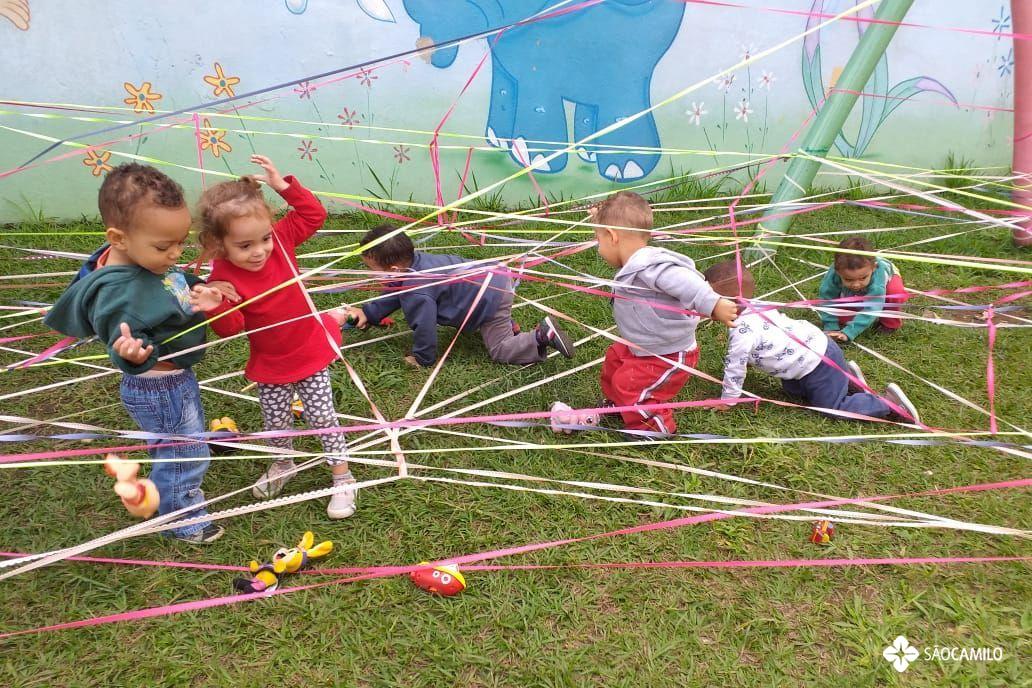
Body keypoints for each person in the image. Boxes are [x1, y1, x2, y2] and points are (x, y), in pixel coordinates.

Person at [44, 163, 224, 543]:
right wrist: (132, 354)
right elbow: (122, 344)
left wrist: (201, 288)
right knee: (185, 454)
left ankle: (165, 494)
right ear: (118, 237)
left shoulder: (140, 259)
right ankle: (183, 518)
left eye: (181, 241)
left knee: (172, 445)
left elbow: (175, 282)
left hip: (171, 383)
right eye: (165, 246)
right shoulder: (118, 296)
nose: (176, 253)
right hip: (161, 387)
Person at [197, 155, 357, 519]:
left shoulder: (281, 241)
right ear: (218, 244)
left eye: (264, 238)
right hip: (270, 362)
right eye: (244, 245)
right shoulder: (221, 275)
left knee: (322, 416)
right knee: (276, 421)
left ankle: (343, 476)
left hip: (310, 349)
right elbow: (230, 327)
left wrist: (282, 187)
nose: (259, 251)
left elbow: (314, 215)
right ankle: (283, 464)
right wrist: (213, 304)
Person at [590, 191, 737, 435]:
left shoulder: (652, 267)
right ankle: (619, 405)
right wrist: (599, 217)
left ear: (613, 237)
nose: (599, 248)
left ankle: (653, 429)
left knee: (633, 386)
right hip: (641, 344)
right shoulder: (637, 263)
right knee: (614, 363)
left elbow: (688, 282)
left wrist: (714, 305)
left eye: (599, 241)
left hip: (666, 352)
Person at [705, 260, 920, 423]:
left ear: (728, 302)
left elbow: (735, 367)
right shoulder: (756, 305)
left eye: (707, 301)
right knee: (793, 391)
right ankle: (846, 379)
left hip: (816, 362)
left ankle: (890, 405)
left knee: (831, 406)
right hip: (817, 348)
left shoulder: (741, 331)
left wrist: (728, 400)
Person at [345, 223, 575, 367]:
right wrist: (369, 312)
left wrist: (422, 358)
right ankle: (510, 325)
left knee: (500, 349)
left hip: (490, 297)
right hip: (492, 278)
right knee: (494, 317)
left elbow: (424, 327)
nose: (368, 273)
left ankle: (541, 337)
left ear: (394, 270)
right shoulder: (415, 265)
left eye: (371, 268)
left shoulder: (418, 293)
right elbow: (396, 290)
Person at [819, 236, 909, 342]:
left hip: (889, 277)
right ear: (838, 272)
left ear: (873, 268)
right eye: (848, 279)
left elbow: (873, 308)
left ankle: (890, 323)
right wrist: (831, 327)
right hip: (860, 276)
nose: (856, 285)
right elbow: (827, 300)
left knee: (894, 292)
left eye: (863, 278)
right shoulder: (833, 275)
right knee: (844, 317)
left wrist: (849, 332)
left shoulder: (877, 280)